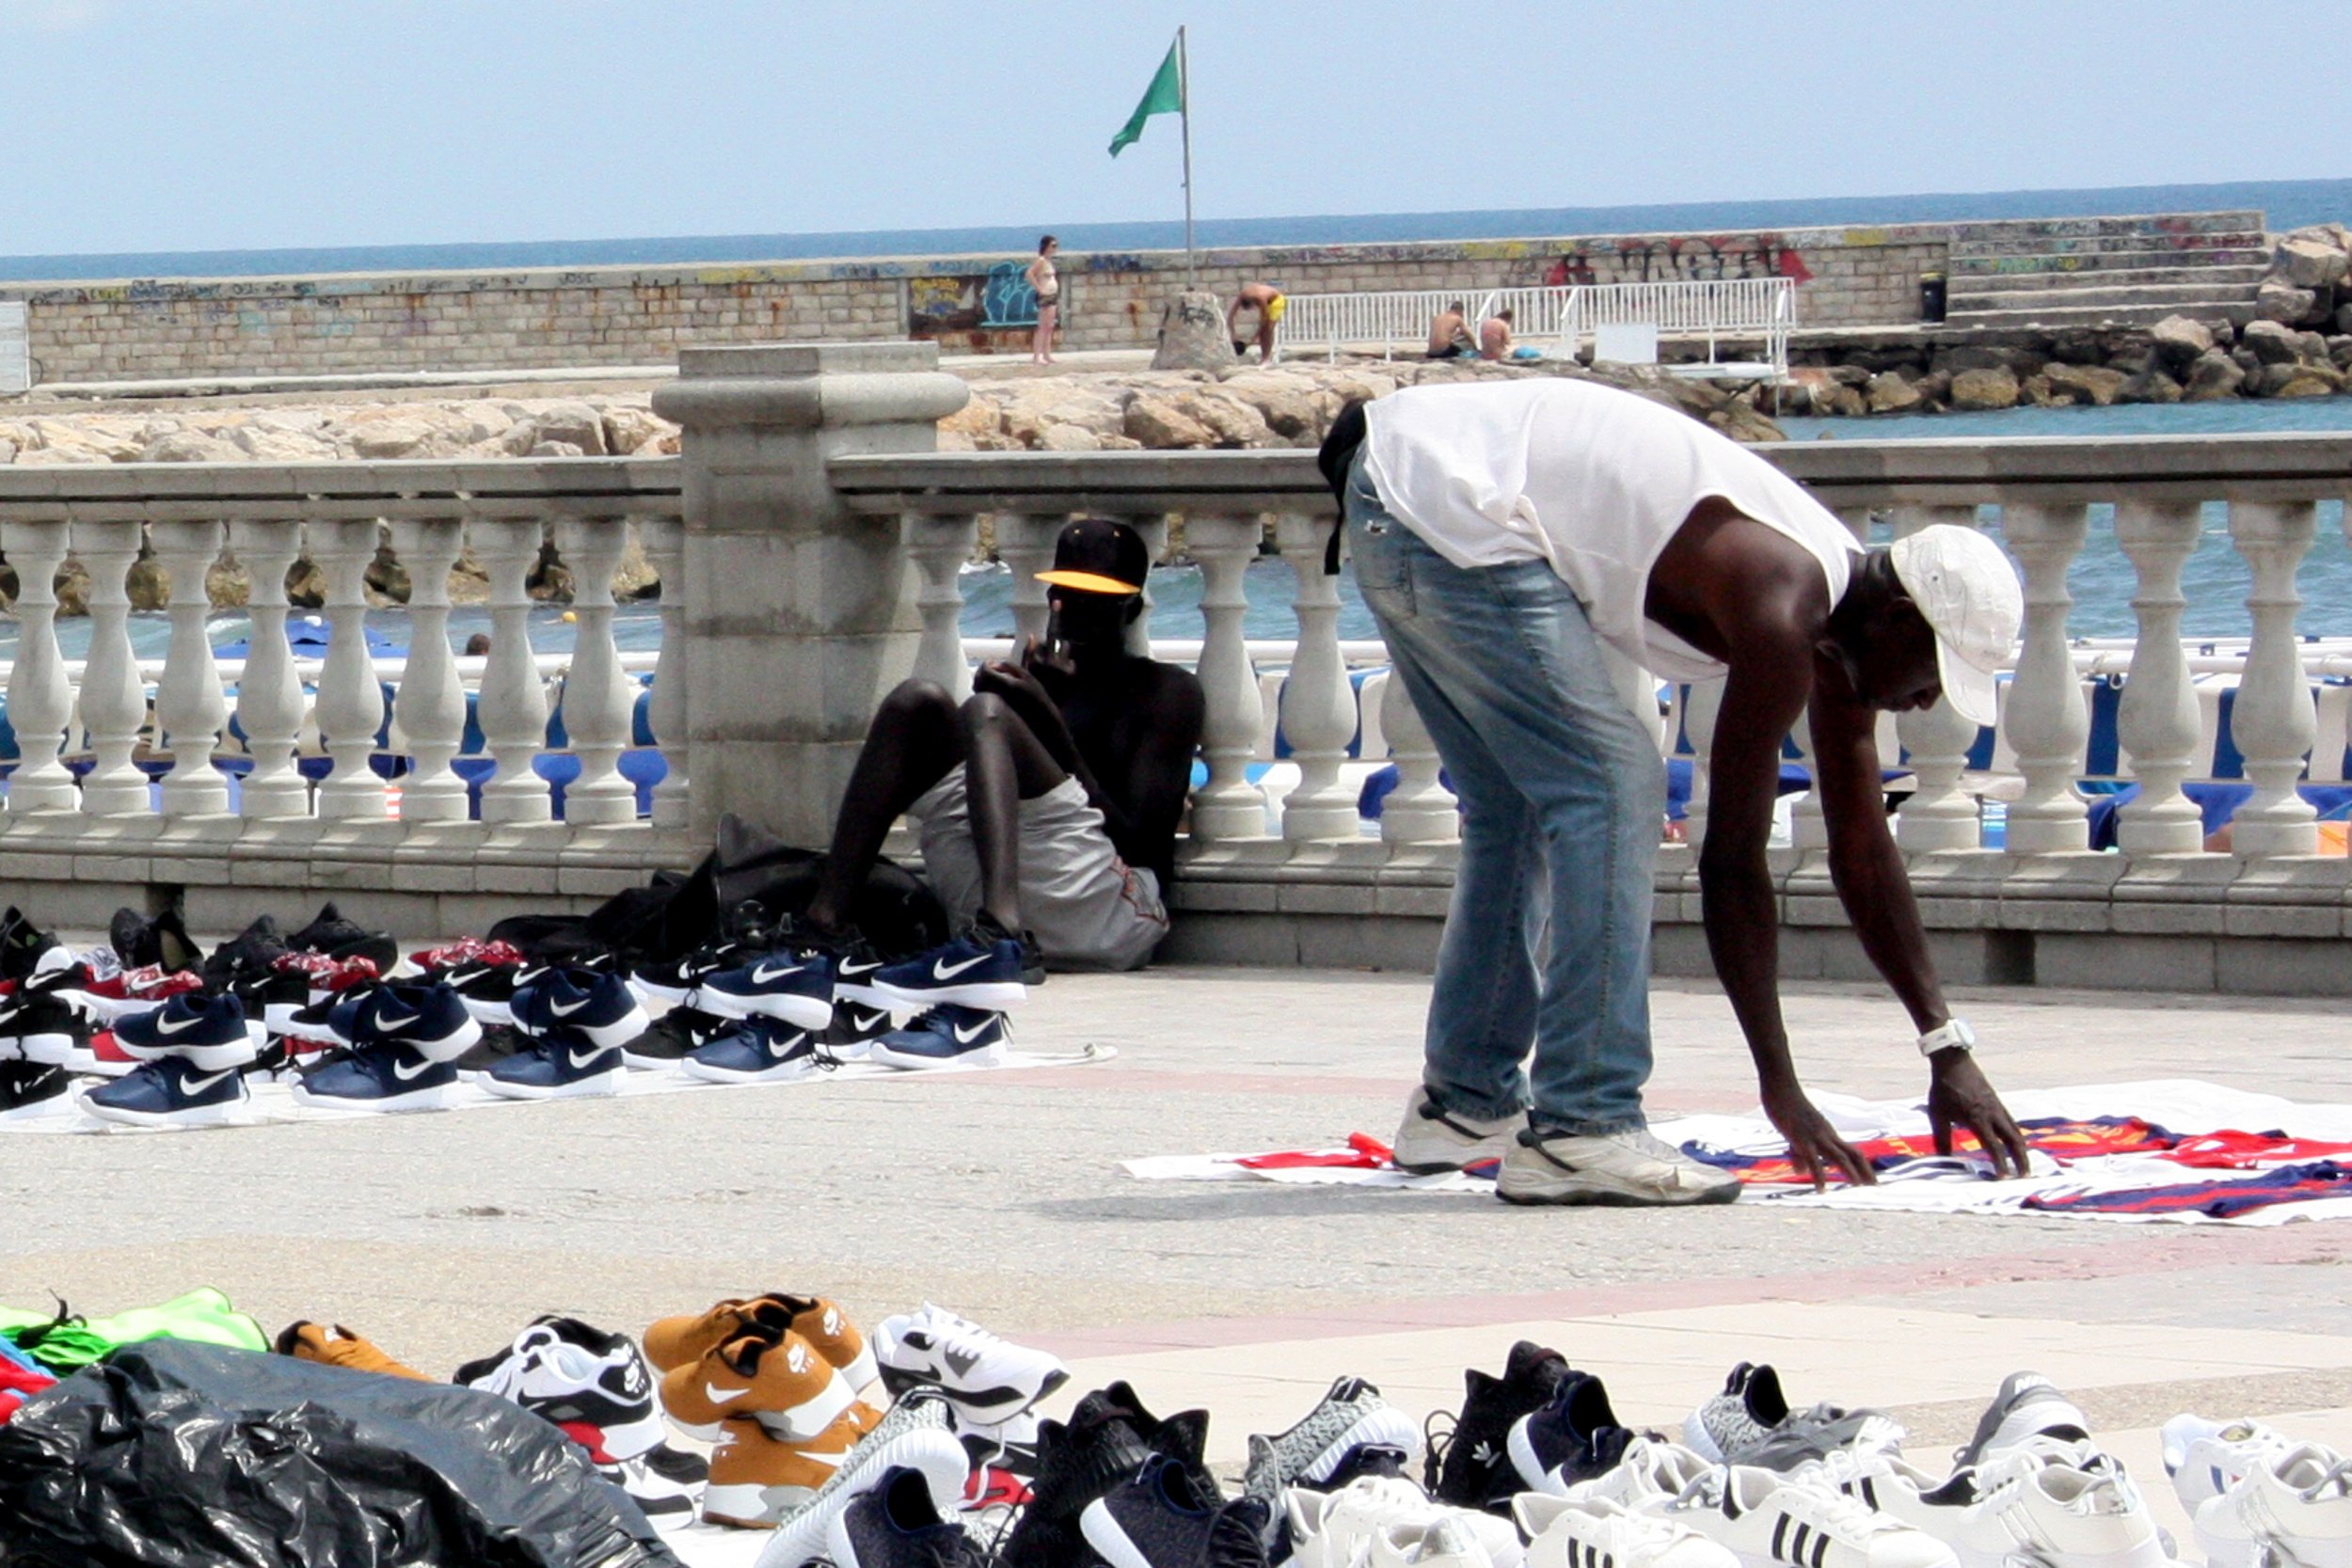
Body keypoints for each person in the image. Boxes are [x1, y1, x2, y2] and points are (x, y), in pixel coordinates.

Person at [1322, 378, 2030, 1207]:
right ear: (1903, 617)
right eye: (1936, 674)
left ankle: (1464, 1103)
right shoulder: (1783, 604)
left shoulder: (1843, 620)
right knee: (1614, 786)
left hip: (1407, 485)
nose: (1927, 702)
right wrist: (1780, 1088)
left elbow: (1862, 846)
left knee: (1521, 804)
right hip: (1446, 503)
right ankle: (1585, 1125)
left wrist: (1946, 1044)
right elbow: (1731, 862)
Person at [803, 518, 1204, 983]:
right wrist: (1032, 707)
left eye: (1098, 600)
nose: (1074, 609)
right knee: (915, 702)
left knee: (985, 710)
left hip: (1111, 907)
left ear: (1131, 610)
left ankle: (1002, 930)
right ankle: (825, 922)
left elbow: (1136, 841)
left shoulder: (1165, 691)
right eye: (1067, 595)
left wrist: (1046, 723)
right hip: (1029, 873)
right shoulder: (1041, 679)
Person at [1227, 282, 1285, 363]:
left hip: (1277, 300)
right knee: (1263, 331)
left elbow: (1264, 322)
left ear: (1254, 303)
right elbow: (1230, 317)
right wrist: (1233, 334)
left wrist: (1256, 337)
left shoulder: (1261, 299)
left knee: (1268, 329)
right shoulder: (1242, 296)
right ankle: (1263, 357)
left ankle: (1266, 358)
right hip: (1266, 298)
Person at [1026, 236, 1060, 365]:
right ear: (1045, 246)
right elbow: (1029, 274)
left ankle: (1047, 354)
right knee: (1043, 326)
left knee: (1050, 326)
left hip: (1052, 294)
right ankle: (1037, 356)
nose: (1055, 249)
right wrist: (1039, 289)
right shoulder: (1041, 261)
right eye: (1053, 246)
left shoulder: (1049, 261)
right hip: (1045, 295)